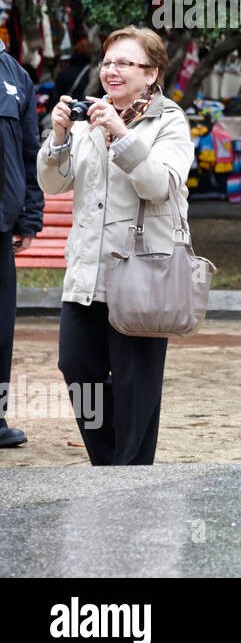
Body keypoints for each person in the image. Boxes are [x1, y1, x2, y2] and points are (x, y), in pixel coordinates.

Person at [37, 27, 193, 464]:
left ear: (152, 73)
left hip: (143, 274)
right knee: (77, 369)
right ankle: (109, 467)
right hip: (87, 274)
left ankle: (130, 476)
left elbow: (160, 186)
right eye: (108, 62)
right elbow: (52, 183)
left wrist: (123, 135)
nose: (112, 70)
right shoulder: (91, 118)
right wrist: (60, 137)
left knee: (134, 386)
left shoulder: (169, 121)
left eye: (125, 63)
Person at [0, 38, 44, 449]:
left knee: (0, 331)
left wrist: (30, 216)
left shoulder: (16, 75)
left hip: (2, 226)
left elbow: (31, 152)